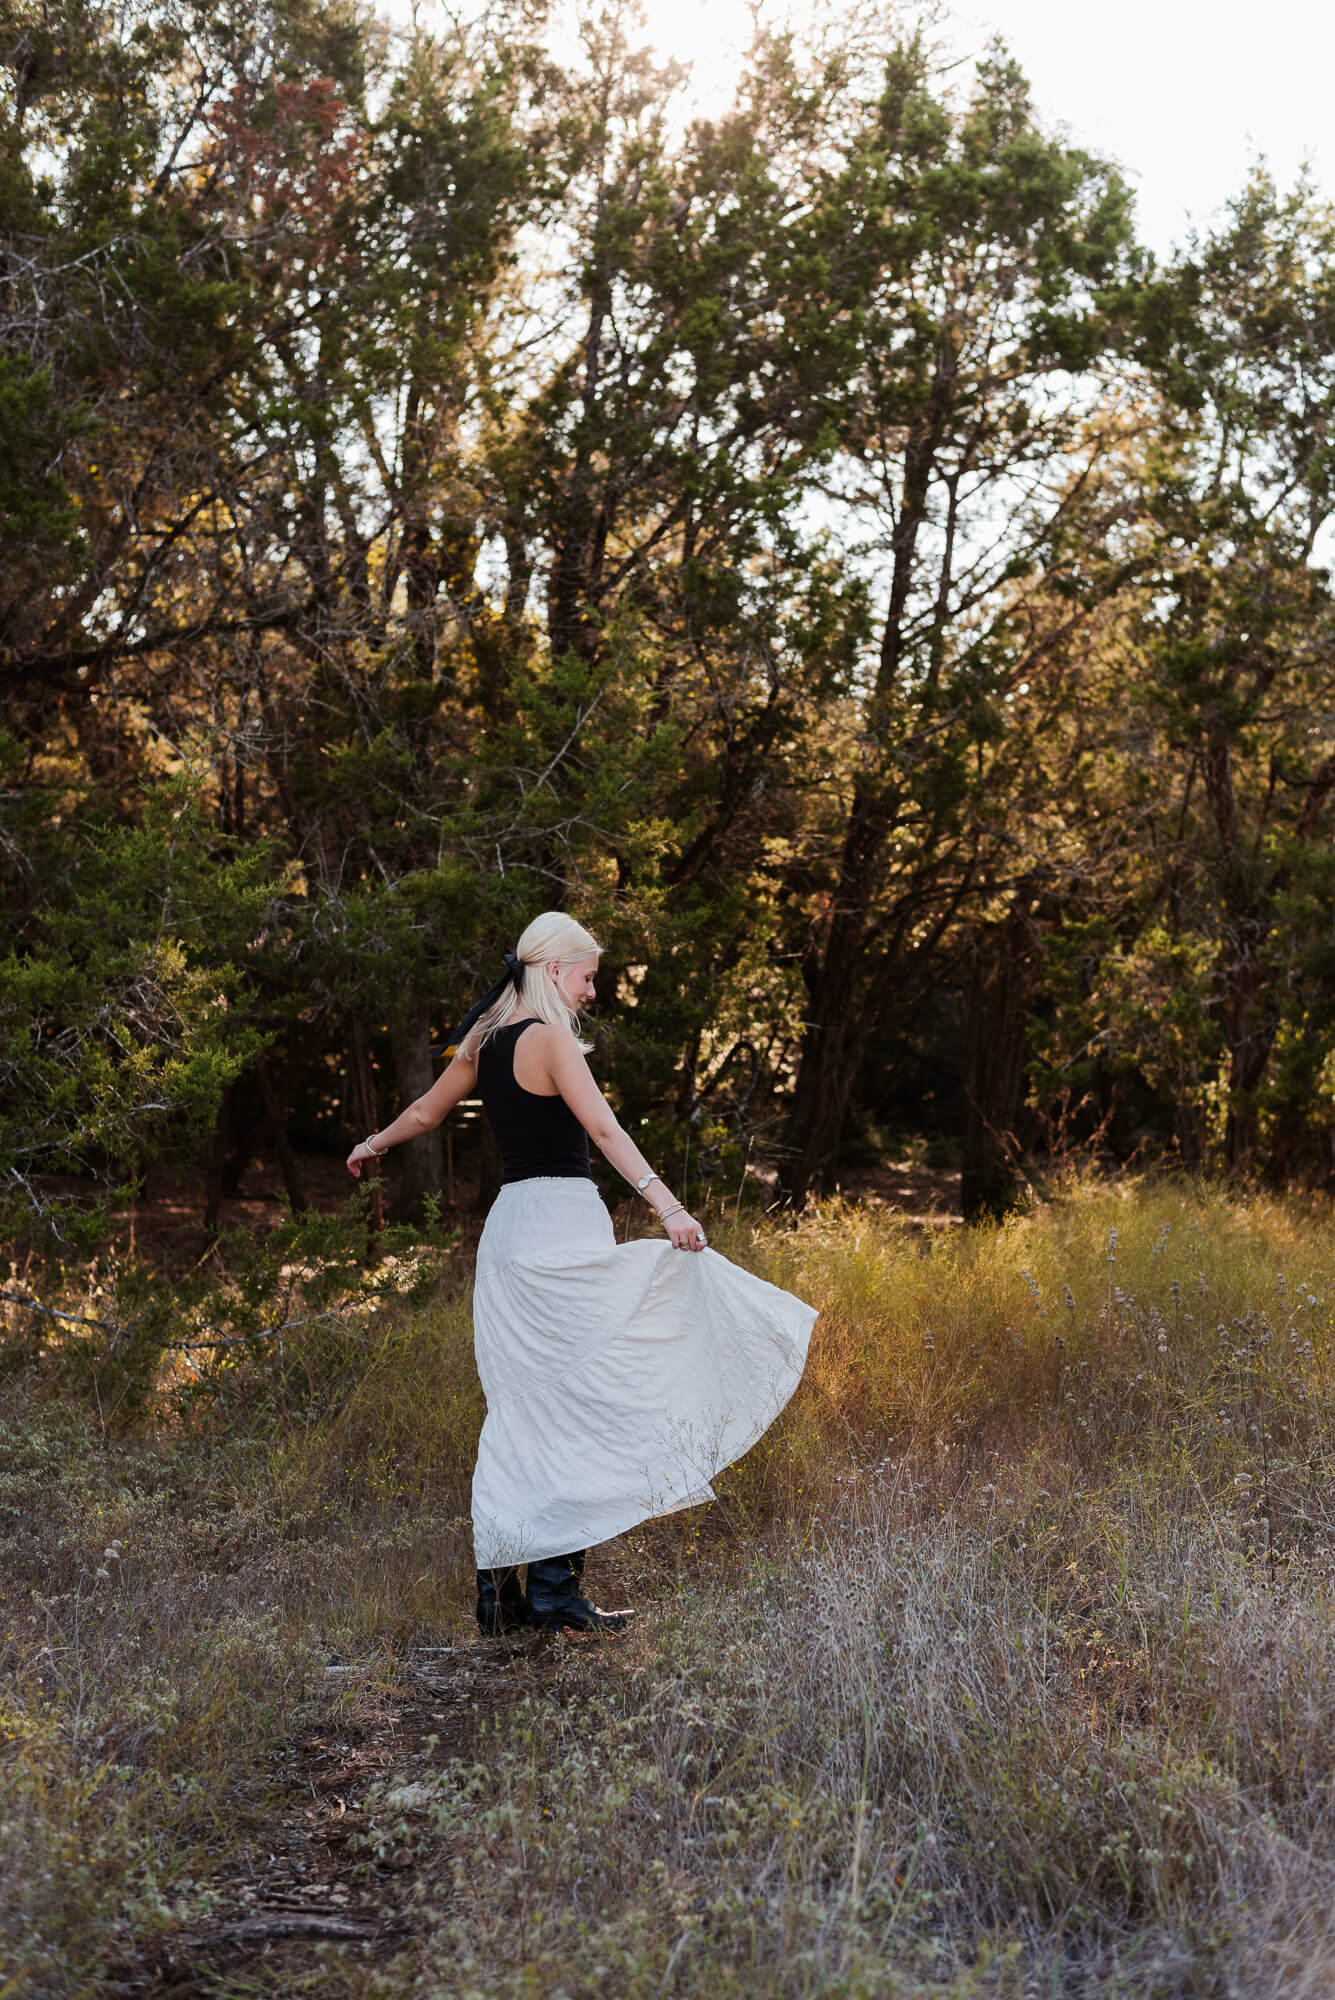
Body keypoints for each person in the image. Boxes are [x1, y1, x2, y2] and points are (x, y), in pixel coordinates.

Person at [346, 911, 816, 1636]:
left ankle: (503, 1590)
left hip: (508, 1234)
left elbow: (424, 1111)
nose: (592, 991)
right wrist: (670, 1209)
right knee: (577, 1405)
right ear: (556, 968)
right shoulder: (549, 1040)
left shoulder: (482, 1040)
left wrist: (371, 1144)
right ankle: (553, 1592)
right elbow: (603, 1128)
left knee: (523, 1408)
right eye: (589, 976)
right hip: (562, 1219)